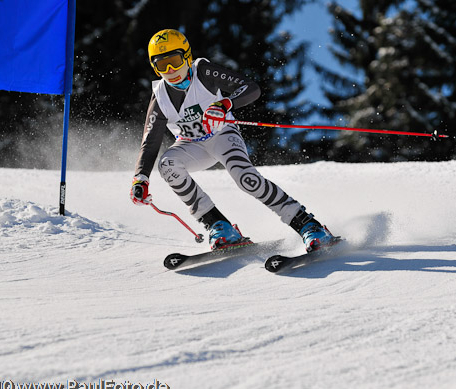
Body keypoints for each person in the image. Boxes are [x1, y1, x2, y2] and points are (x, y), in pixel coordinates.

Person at [130, 28, 339, 252]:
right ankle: (219, 226)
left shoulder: (203, 72)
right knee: (167, 165)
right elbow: (150, 141)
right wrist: (140, 178)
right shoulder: (160, 97)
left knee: (245, 178)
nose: (170, 70)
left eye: (174, 60)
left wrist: (224, 104)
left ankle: (309, 225)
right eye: (162, 65)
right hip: (192, 146)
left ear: (187, 56)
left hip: (223, 135)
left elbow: (251, 89)